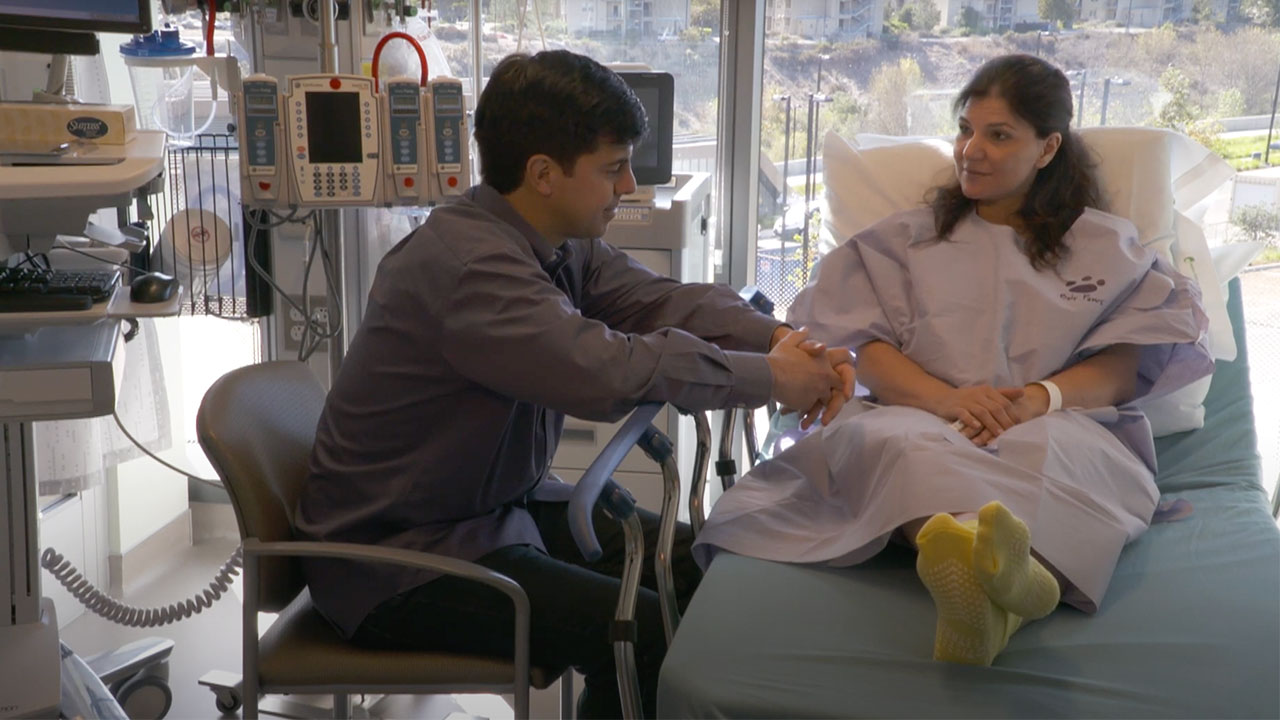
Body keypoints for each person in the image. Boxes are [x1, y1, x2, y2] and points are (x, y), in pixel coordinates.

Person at [294, 49, 854, 719]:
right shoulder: (470, 269)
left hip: (490, 514)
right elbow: (606, 370)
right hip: (394, 563)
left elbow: (657, 302)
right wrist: (771, 380)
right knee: (640, 635)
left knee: (698, 569)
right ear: (543, 174)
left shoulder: (554, 239)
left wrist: (775, 339)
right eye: (613, 169)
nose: (629, 189)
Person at [692, 54, 1214, 666]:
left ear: (1047, 149)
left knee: (1055, 453)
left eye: (998, 136)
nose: (971, 150)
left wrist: (1036, 400)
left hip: (1051, 418)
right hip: (920, 412)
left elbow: (1124, 365)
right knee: (904, 447)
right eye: (966, 129)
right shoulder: (906, 241)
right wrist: (944, 400)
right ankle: (1007, 579)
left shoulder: (1104, 246)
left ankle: (989, 587)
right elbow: (864, 347)